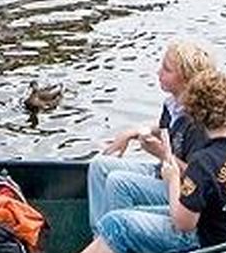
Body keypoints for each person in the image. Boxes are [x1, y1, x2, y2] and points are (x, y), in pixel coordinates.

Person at [20, 70, 226, 253]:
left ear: (197, 115)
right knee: (114, 220)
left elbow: (183, 224)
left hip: (207, 240)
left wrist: (173, 178)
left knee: (116, 225)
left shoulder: (203, 161)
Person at [86, 41, 214, 231]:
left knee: (118, 182)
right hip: (163, 172)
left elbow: (198, 177)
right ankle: (99, 238)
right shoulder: (173, 107)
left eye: (167, 69)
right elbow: (164, 128)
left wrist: (161, 153)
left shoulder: (198, 124)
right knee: (99, 165)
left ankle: (117, 244)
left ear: (186, 80)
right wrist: (133, 132)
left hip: (181, 190)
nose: (158, 72)